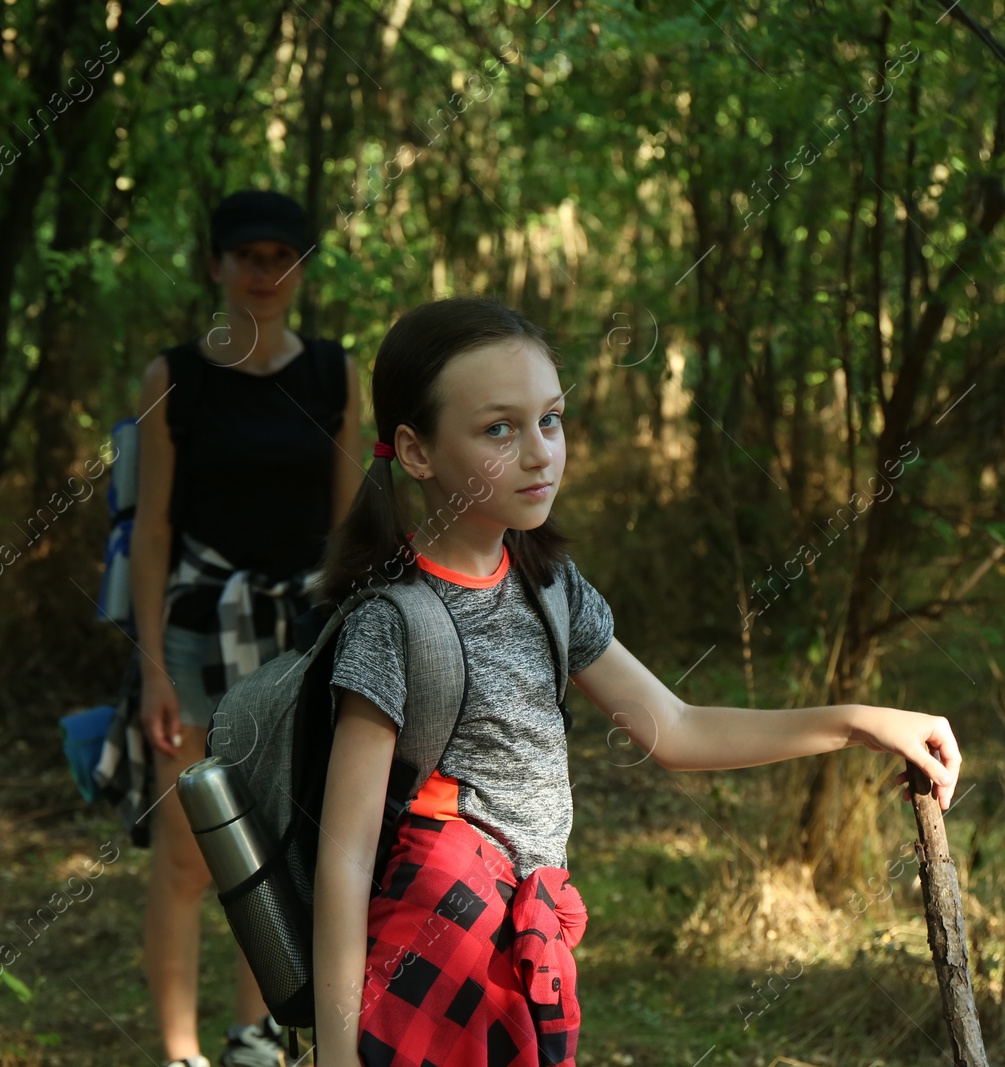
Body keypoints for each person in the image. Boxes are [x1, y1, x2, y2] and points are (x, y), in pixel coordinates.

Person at [309, 296, 964, 1067]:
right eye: (499, 428)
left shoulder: (549, 587)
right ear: (416, 451)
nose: (539, 452)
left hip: (524, 955)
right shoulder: (396, 623)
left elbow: (675, 727)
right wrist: (338, 1051)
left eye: (550, 419)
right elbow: (344, 857)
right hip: (430, 961)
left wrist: (860, 722)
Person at [127, 189, 363, 1067]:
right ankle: (181, 1051)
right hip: (196, 633)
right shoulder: (174, 377)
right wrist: (150, 666)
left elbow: (349, 527)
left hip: (300, 637)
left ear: (301, 268)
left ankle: (252, 1037)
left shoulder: (336, 373)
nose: (266, 273)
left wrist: (354, 640)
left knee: (277, 849)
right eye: (248, 255)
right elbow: (152, 532)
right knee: (191, 857)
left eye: (283, 256)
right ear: (217, 265)